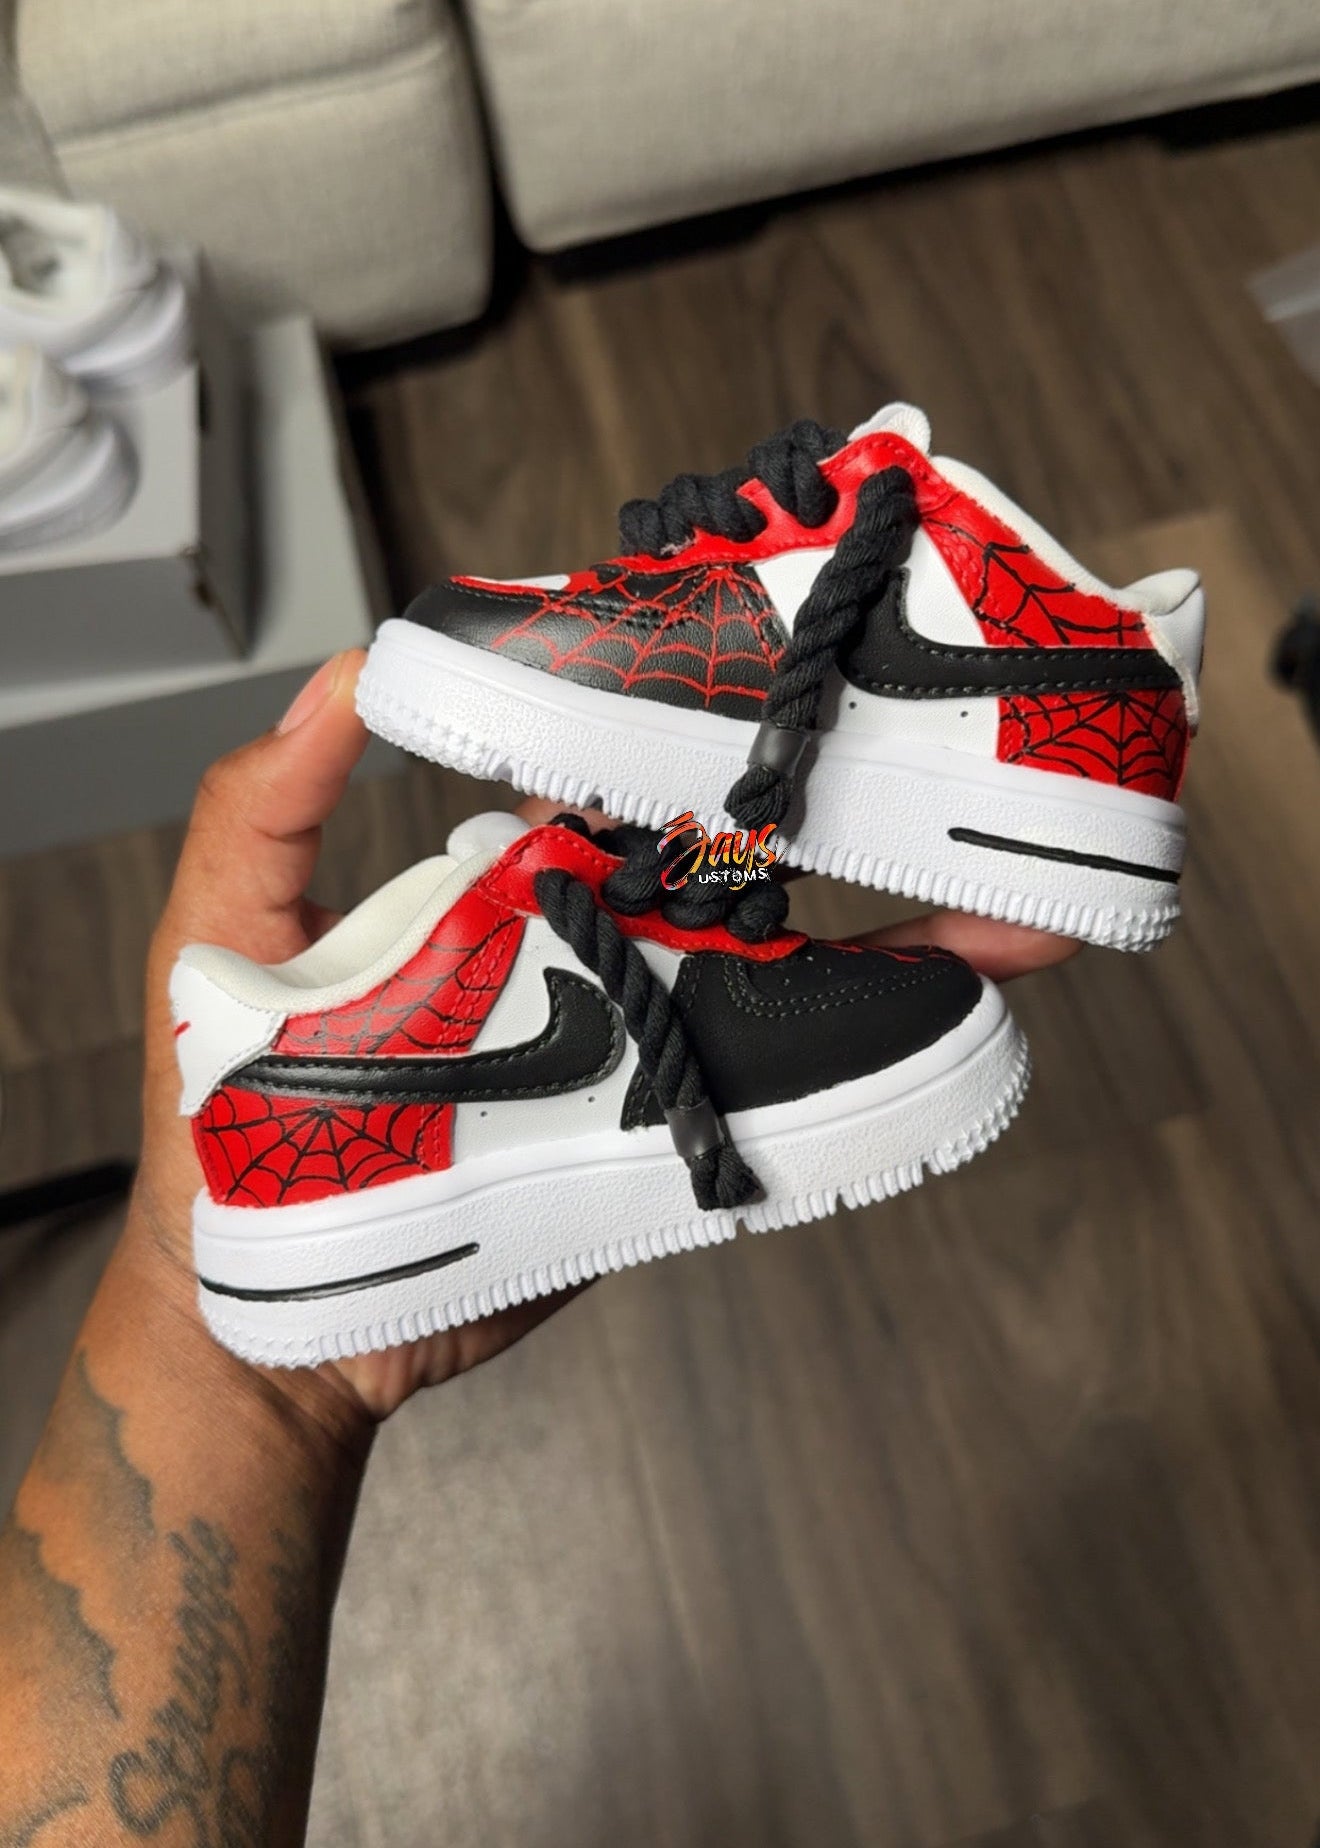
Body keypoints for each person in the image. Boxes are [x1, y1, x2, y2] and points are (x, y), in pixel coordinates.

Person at [0, 651, 1076, 1845]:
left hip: (297, 1153)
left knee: (561, 854)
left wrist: (202, 1331)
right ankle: (518, 978)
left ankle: (393, 1038)